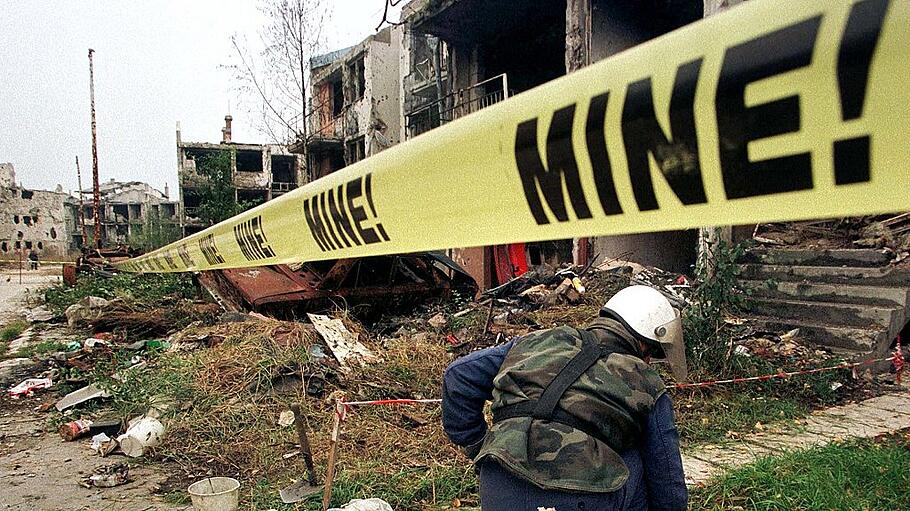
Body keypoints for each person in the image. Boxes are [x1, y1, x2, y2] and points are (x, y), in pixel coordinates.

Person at [442, 285, 688, 511]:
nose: (647, 362)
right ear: (643, 345)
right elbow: (666, 476)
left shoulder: (539, 341)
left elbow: (458, 375)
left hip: (499, 482)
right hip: (579, 494)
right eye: (651, 354)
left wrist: (478, 444)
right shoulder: (646, 379)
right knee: (635, 459)